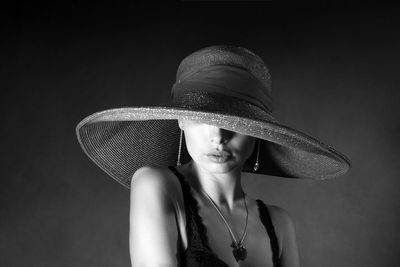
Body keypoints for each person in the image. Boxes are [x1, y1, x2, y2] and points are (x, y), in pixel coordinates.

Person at [76, 45, 350, 267]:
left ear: (259, 133)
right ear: (181, 121)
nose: (218, 137)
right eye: (202, 119)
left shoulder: (279, 225)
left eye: (236, 123)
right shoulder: (156, 185)